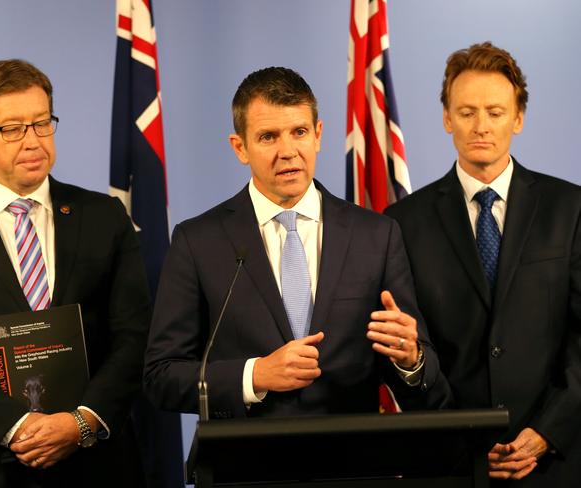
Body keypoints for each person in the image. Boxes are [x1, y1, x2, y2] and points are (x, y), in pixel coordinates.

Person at [144, 67, 450, 420]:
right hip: (248, 467)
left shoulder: (376, 236)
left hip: (352, 464)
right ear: (240, 147)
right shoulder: (198, 242)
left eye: (299, 132)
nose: (288, 151)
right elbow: (161, 376)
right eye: (268, 137)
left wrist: (411, 359)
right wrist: (255, 375)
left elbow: (426, 390)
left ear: (318, 135)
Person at [0, 59, 150, 487]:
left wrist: (81, 422)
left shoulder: (104, 216)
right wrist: (16, 426)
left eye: (41, 123)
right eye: (12, 128)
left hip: (95, 460)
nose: (32, 141)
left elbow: (135, 334)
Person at [385, 42, 581, 486]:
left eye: (495, 112)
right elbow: (411, 351)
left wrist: (547, 431)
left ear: (518, 118)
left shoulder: (570, 209)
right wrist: (463, 439)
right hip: (450, 464)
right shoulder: (402, 223)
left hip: (555, 464)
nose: (481, 127)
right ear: (447, 118)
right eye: (467, 111)